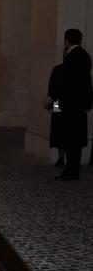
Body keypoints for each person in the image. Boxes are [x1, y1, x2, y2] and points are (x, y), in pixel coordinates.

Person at [53, 28, 92, 181]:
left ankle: (70, 170)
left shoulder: (71, 58)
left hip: (68, 105)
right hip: (79, 105)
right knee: (74, 139)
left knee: (69, 139)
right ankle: (72, 169)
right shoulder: (85, 56)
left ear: (67, 41)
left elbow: (64, 85)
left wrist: (54, 103)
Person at [43, 59, 65, 168]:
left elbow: (52, 89)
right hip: (62, 103)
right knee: (59, 128)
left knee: (58, 128)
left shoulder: (58, 69)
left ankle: (61, 157)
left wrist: (50, 104)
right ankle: (61, 157)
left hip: (58, 103)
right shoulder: (59, 69)